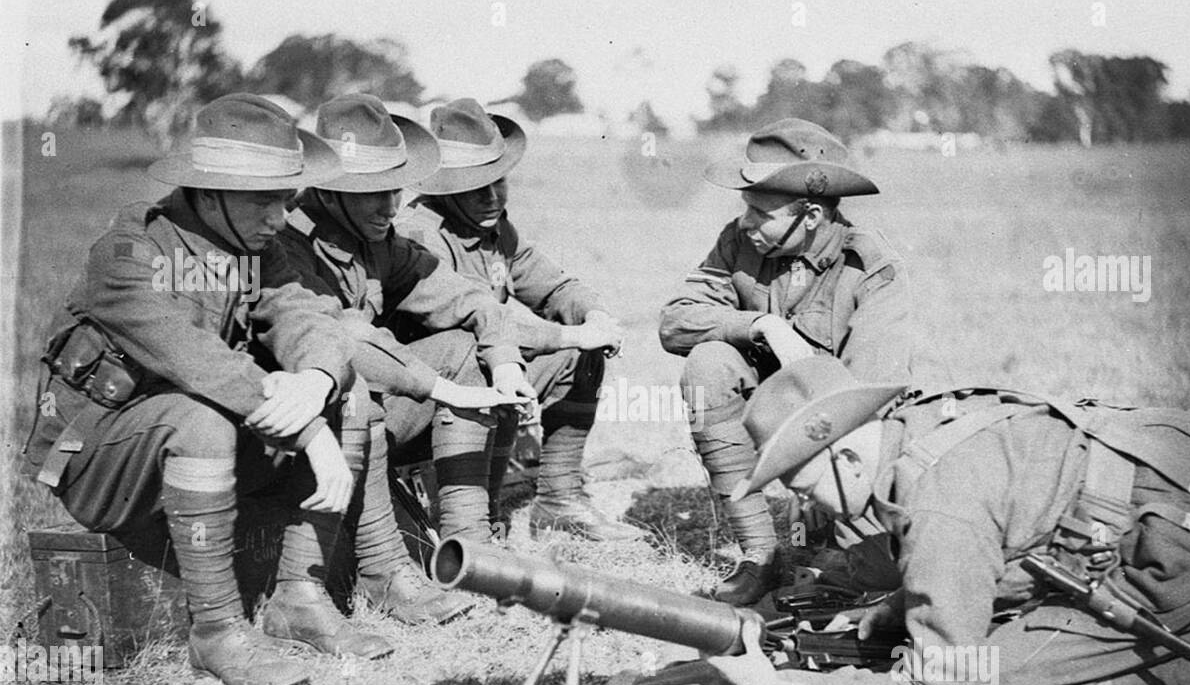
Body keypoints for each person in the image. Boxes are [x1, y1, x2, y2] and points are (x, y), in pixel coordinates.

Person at [22, 94, 396, 685]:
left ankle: (300, 597)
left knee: (347, 395)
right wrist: (311, 431)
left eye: (286, 199)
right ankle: (216, 634)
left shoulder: (254, 249)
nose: (280, 218)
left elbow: (308, 317)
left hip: (196, 447)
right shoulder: (130, 254)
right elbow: (201, 362)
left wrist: (319, 381)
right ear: (209, 190)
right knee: (200, 421)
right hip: (102, 459)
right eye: (263, 200)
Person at [710, 357, 1190, 685]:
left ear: (842, 455)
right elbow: (1023, 536)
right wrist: (911, 600)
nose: (806, 506)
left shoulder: (939, 504)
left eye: (803, 487)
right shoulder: (922, 427)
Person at [276, 93, 531, 614]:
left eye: (393, 190)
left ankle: (469, 546)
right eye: (371, 193)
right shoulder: (286, 244)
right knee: (358, 395)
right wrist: (441, 388)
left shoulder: (377, 240)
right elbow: (346, 340)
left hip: (357, 425)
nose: (388, 206)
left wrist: (503, 358)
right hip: (295, 428)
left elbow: (463, 295)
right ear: (329, 190)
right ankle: (384, 573)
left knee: (464, 349)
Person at [659, 118, 918, 606]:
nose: (746, 222)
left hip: (840, 434)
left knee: (864, 574)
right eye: (745, 208)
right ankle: (760, 554)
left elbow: (869, 401)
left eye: (761, 212)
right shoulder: (739, 240)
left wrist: (817, 500)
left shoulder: (873, 269)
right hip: (774, 406)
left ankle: (827, 531)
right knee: (708, 365)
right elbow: (675, 321)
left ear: (812, 215)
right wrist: (763, 325)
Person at [397, 98, 642, 541]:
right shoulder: (421, 235)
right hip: (422, 397)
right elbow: (473, 330)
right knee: (487, 355)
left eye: (499, 181)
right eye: (476, 187)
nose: (492, 197)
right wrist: (573, 333)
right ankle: (471, 520)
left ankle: (559, 499)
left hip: (477, 383)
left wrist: (596, 316)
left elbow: (551, 284)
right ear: (444, 187)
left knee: (576, 359)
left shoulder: (492, 227)